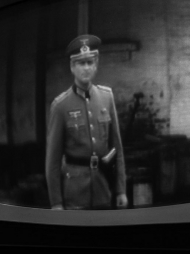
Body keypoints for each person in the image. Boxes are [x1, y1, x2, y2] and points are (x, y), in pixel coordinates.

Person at [45, 34, 128, 210]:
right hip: (75, 193)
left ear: (96, 65)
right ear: (72, 67)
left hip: (103, 188)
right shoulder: (60, 106)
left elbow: (117, 149)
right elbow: (53, 161)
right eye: (81, 63)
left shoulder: (107, 97)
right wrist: (56, 202)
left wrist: (121, 190)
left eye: (90, 62)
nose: (86, 68)